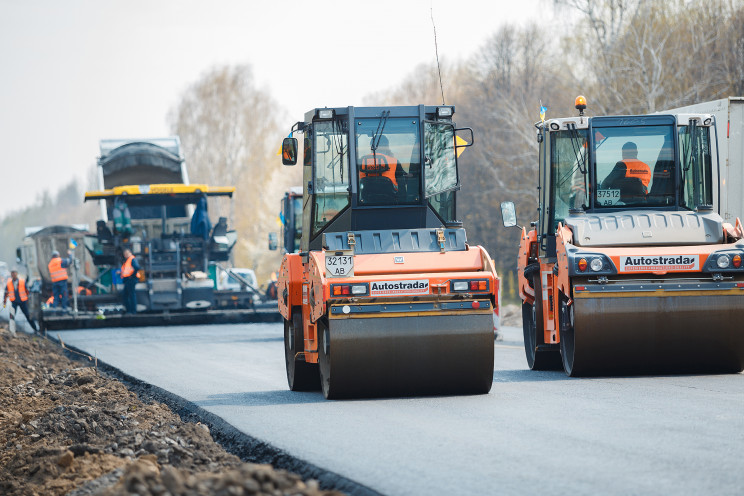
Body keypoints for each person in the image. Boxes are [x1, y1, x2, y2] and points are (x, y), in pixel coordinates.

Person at [359, 135, 407, 200]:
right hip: (390, 198)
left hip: (366, 199)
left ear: (371, 146)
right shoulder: (394, 161)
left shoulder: (362, 161)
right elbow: (401, 184)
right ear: (386, 146)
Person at [121, 248, 140, 314]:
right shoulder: (127, 260)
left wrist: (132, 275)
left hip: (131, 279)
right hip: (128, 279)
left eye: (127, 253)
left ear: (130, 253)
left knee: (131, 295)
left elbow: (137, 267)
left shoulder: (132, 259)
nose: (125, 255)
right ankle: (129, 311)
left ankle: (132, 311)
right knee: (126, 295)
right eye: (124, 254)